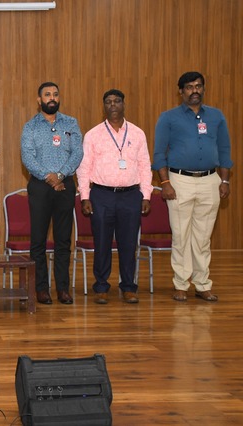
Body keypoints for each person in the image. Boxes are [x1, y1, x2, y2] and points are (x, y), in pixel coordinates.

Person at [153, 71, 233, 303]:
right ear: (181, 91)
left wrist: (225, 180)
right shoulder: (168, 118)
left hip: (210, 181)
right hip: (179, 181)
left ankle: (202, 284)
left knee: (203, 238)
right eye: (189, 87)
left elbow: (224, 150)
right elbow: (159, 153)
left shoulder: (216, 116)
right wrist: (165, 183)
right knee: (181, 236)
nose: (194, 90)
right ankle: (181, 284)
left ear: (203, 89)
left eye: (198, 86)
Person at [76, 89, 153, 304]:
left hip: (131, 195)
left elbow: (145, 166)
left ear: (123, 104)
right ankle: (101, 287)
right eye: (108, 102)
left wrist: (146, 195)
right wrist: (85, 196)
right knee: (102, 243)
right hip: (102, 195)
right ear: (104, 107)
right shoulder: (93, 135)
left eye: (117, 101)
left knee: (128, 243)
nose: (113, 105)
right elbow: (84, 167)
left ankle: (128, 287)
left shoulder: (137, 133)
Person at [20, 82, 83, 305]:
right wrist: (49, 177)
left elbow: (77, 153)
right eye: (47, 95)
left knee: (63, 240)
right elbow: (27, 157)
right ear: (39, 100)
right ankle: (41, 288)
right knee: (38, 240)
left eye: (55, 94)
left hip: (65, 186)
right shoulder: (30, 126)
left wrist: (61, 175)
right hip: (40, 186)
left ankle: (63, 289)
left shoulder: (71, 123)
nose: (52, 98)